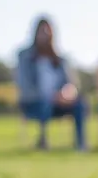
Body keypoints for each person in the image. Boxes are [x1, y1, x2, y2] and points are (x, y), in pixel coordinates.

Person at [16, 17, 87, 150]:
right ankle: (42, 141)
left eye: (48, 31)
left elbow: (71, 84)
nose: (45, 35)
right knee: (45, 103)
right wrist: (50, 96)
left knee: (80, 103)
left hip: (58, 103)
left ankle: (81, 144)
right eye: (42, 31)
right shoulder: (25, 56)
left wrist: (66, 94)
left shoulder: (60, 59)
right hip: (34, 103)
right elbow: (24, 85)